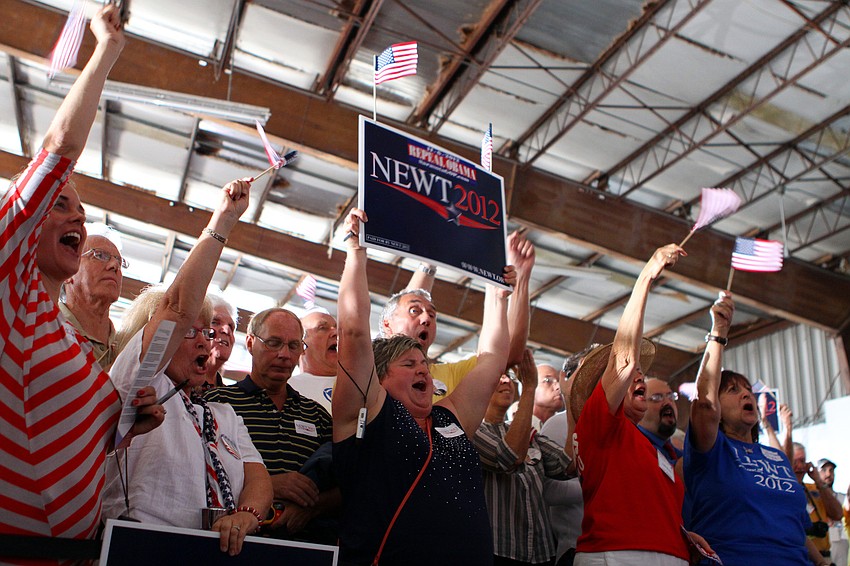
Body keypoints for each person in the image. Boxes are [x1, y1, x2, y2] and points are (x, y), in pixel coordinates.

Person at [0, 5, 163, 545]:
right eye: (61, 204)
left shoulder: (58, 331)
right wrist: (107, 51)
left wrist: (122, 425)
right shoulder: (8, 290)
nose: (79, 216)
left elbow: (67, 437)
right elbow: (56, 152)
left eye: (82, 211)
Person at [333, 208, 513, 565]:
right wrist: (356, 252)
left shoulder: (449, 419)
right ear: (379, 376)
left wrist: (497, 293)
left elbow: (492, 360)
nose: (424, 373)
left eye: (426, 366)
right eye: (410, 364)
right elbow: (353, 330)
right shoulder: (368, 415)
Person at [103, 178, 271, 557]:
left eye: (207, 331)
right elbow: (175, 309)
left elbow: (259, 478)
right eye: (190, 331)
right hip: (142, 551)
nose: (205, 340)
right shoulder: (137, 383)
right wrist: (223, 222)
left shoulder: (225, 415)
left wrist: (245, 516)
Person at [571, 244, 710, 566]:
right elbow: (624, 358)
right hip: (615, 554)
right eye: (631, 376)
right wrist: (647, 275)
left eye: (642, 376)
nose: (639, 379)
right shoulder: (598, 422)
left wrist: (681, 534)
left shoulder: (650, 448)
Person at [684, 292, 816, 565]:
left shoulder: (778, 458)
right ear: (719, 410)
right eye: (733, 390)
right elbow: (704, 405)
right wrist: (718, 333)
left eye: (747, 390)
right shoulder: (712, 451)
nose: (747, 395)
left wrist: (824, 563)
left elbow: (796, 527)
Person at [204, 307, 337, 544]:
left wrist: (310, 508)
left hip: (304, 548)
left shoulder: (317, 416)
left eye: (294, 346)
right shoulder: (217, 404)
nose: (284, 354)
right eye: (274, 343)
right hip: (233, 542)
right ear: (250, 342)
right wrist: (270, 486)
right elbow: (199, 475)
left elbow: (345, 486)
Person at [379, 231, 534, 399]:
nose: (426, 319)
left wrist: (511, 285)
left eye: (432, 315)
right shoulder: (368, 368)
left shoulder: (449, 375)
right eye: (415, 311)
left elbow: (504, 355)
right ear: (387, 324)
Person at [474, 349, 573, 566]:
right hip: (499, 552)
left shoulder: (525, 433)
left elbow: (569, 466)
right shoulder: (472, 430)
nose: (505, 380)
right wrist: (529, 387)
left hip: (542, 552)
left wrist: (571, 399)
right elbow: (509, 458)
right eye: (497, 375)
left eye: (509, 376)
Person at [60, 224, 124, 370]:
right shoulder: (47, 328)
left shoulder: (126, 345)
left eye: (119, 261)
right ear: (69, 273)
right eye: (100, 255)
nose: (114, 265)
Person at [793, 442, 844, 564]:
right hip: (801, 558)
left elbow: (837, 514)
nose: (800, 466)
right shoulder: (782, 493)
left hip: (825, 557)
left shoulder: (814, 489)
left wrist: (818, 481)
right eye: (795, 462)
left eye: (802, 461)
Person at [288, 308, 338, 413]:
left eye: (337, 327)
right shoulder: (287, 389)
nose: (336, 332)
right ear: (300, 345)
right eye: (322, 328)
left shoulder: (361, 385)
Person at [638, 378, 682, 467]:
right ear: (639, 406)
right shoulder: (637, 448)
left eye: (670, 396)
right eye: (657, 397)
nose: (667, 403)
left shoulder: (670, 449)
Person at [201, 294, 238, 390]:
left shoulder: (231, 399)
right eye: (215, 322)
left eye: (231, 326)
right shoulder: (172, 384)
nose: (227, 330)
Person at [818, 459, 848, 566]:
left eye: (831, 470)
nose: (828, 474)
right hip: (822, 547)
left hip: (842, 545)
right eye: (824, 470)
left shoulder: (843, 498)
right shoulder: (814, 498)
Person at [533, 364, 565, 430]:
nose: (558, 387)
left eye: (559, 381)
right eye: (547, 380)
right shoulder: (515, 428)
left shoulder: (566, 427)